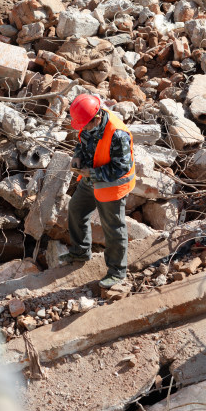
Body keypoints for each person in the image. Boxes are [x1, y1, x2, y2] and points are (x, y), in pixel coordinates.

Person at [61, 93, 136, 289]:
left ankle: (117, 272)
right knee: (76, 209)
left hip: (112, 184)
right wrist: (78, 157)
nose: (83, 128)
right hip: (91, 176)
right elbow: (82, 143)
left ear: (96, 118)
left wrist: (92, 173)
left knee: (113, 228)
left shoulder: (117, 134)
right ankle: (80, 251)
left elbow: (121, 168)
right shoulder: (88, 123)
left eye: (85, 125)